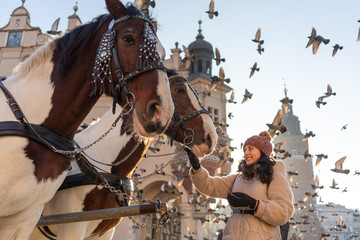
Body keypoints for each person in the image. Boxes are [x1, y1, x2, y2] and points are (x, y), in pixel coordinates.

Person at [186, 131, 294, 240]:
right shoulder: (238, 178)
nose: (246, 153)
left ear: (262, 152)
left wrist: (255, 204)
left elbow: (283, 212)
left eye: (251, 149)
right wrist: (197, 168)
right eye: (245, 150)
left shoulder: (274, 176)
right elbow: (209, 186)